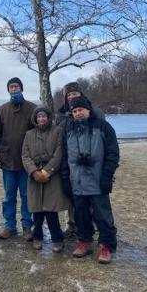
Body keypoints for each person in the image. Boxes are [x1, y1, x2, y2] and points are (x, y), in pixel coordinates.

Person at [61, 96, 119, 264]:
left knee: (102, 214)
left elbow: (113, 154)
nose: (78, 113)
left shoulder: (103, 127)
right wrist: (66, 178)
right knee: (81, 214)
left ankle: (107, 245)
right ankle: (84, 241)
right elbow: (64, 156)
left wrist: (107, 176)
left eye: (80, 110)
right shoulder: (68, 129)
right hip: (76, 180)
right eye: (74, 111)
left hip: (97, 180)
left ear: (88, 110)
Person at [55, 81, 105, 238]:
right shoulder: (61, 115)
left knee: (94, 196)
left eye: (74, 94)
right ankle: (71, 224)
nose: (71, 97)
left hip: (92, 161)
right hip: (69, 160)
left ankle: (95, 225)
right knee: (72, 197)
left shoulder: (95, 111)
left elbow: (103, 136)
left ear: (81, 94)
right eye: (68, 95)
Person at [22, 107, 71, 253]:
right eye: (39, 117)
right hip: (34, 177)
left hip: (52, 176)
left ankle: (57, 239)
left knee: (51, 210)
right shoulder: (29, 134)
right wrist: (34, 172)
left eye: (44, 116)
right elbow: (25, 155)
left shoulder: (57, 131)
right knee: (37, 210)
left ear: (48, 118)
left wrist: (46, 171)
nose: (41, 119)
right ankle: (37, 237)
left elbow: (59, 153)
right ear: (35, 118)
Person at [0, 77, 36, 240]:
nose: (14, 89)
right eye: (11, 87)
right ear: (8, 90)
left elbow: (37, 134)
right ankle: (9, 226)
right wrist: (0, 153)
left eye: (16, 86)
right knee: (8, 196)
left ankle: (27, 226)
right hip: (8, 161)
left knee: (26, 196)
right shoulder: (2, 110)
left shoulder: (32, 108)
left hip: (27, 162)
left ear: (21, 88)